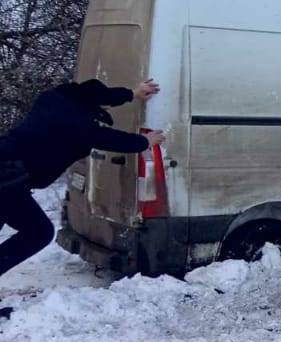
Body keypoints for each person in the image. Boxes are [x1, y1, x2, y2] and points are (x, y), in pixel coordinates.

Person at [0, 78, 164, 302]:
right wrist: (144, 141)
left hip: (8, 172)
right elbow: (105, 137)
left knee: (33, 231)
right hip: (7, 180)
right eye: (101, 108)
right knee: (38, 232)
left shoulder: (52, 100)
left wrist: (134, 93)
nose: (102, 111)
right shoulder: (75, 122)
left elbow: (101, 97)